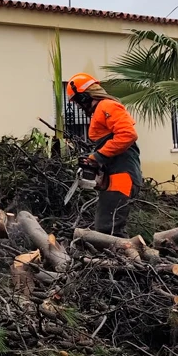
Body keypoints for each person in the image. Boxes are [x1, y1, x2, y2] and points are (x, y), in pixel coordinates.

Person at [67, 73, 140, 238]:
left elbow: (128, 135)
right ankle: (120, 260)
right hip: (115, 175)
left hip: (123, 175)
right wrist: (97, 165)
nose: (79, 106)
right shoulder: (101, 110)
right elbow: (112, 145)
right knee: (105, 228)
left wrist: (98, 157)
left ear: (85, 96)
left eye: (78, 101)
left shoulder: (107, 106)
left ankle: (124, 261)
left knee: (109, 231)